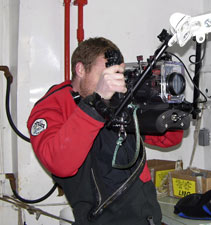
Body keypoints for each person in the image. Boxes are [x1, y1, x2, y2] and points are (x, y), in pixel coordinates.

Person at [27, 37, 184, 225]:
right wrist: (96, 104)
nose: (112, 83)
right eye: (105, 75)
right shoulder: (53, 106)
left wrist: (164, 100)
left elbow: (169, 138)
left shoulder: (119, 99)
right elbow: (60, 164)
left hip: (147, 218)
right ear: (81, 70)